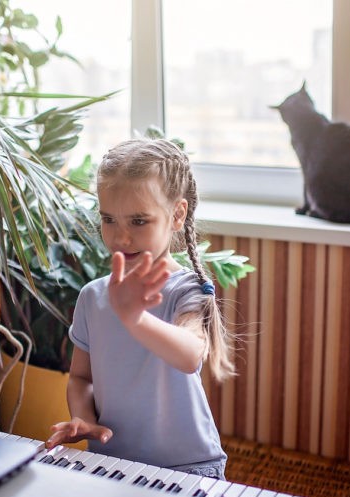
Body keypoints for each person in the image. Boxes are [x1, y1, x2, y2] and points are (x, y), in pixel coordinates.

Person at [44, 137, 238, 479]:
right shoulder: (92, 296)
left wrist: (135, 318)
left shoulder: (187, 289)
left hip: (187, 467)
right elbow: (80, 377)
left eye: (138, 221)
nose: (121, 237)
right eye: (109, 219)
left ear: (176, 215)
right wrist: (84, 417)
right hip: (113, 463)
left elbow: (191, 354)